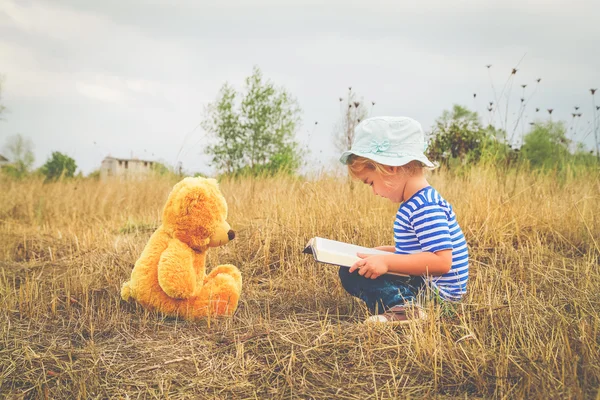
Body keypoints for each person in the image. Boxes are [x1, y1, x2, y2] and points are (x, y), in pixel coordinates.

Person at [338, 116, 469, 323]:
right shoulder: (416, 203)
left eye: (370, 182)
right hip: (424, 283)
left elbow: (442, 261)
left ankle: (407, 309)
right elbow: (418, 251)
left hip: (435, 294)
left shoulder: (425, 206)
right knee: (352, 268)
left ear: (390, 168)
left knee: (353, 274)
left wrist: (387, 261)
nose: (374, 192)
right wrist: (381, 252)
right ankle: (404, 307)